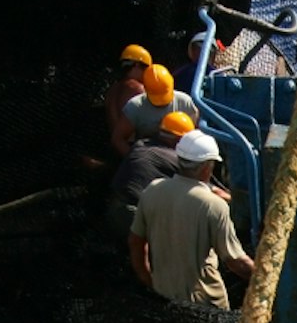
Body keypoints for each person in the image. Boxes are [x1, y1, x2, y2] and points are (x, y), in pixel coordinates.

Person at [129, 130, 255, 307]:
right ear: (207, 167)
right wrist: (267, 279)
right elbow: (235, 261)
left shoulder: (152, 190)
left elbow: (136, 241)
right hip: (204, 300)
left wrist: (146, 276)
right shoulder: (213, 204)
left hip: (162, 297)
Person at [106, 110, 194, 239]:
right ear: (180, 139)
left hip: (114, 208)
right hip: (136, 214)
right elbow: (204, 187)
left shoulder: (140, 145)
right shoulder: (174, 159)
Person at [113, 64, 200, 156]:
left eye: (164, 93)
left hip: (181, 155)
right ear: (145, 89)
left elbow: (197, 133)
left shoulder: (185, 102)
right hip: (147, 154)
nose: (161, 100)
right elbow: (118, 139)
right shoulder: (135, 106)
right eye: (157, 95)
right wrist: (134, 158)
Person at [105, 44, 152, 139]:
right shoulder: (137, 88)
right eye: (146, 68)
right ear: (137, 65)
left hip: (115, 147)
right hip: (134, 147)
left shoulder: (112, 90)